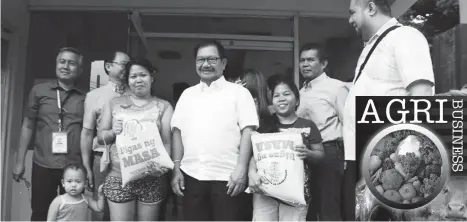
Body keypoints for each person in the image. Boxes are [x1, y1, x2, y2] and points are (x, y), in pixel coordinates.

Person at [345, 0, 435, 219]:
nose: (350, 20)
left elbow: (422, 94)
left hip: (386, 162)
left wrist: (402, 164)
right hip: (363, 156)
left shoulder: (404, 36)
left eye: (353, 12)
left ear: (371, 8)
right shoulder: (371, 47)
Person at [170, 40, 259, 221]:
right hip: (192, 176)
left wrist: (241, 169)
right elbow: (177, 132)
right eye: (200, 60)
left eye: (212, 59)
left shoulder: (239, 93)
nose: (205, 64)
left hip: (228, 178)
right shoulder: (188, 95)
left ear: (223, 63)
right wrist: (177, 169)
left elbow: (248, 132)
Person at [12, 47, 85, 221]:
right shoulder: (39, 91)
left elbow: (88, 135)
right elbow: (27, 126)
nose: (66, 66)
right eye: (62, 61)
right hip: (43, 163)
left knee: (71, 214)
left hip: (73, 167)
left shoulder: (86, 98)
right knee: (40, 213)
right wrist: (19, 162)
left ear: (79, 70)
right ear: (56, 65)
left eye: (72, 63)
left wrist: (88, 168)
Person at [98, 59, 174, 221]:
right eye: (133, 76)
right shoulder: (114, 104)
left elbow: (167, 142)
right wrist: (113, 132)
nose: (138, 80)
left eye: (143, 75)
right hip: (119, 177)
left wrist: (163, 167)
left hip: (152, 178)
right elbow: (100, 136)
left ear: (152, 77)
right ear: (128, 80)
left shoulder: (164, 106)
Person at [248, 76, 325, 221]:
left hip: (295, 193)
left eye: (286, 94)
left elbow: (321, 155)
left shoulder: (308, 125)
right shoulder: (264, 126)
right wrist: (252, 173)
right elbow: (254, 156)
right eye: (276, 95)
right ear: (272, 102)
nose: (281, 98)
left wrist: (308, 153)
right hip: (264, 191)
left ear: (297, 100)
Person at [295, 43, 348, 221]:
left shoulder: (336, 87)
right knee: (308, 207)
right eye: (302, 60)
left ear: (323, 63)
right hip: (304, 155)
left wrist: (349, 158)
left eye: (311, 60)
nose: (305, 64)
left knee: (329, 208)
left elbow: (348, 123)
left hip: (329, 152)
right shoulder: (300, 92)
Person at [80, 50, 130, 221]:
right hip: (102, 160)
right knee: (101, 211)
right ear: (109, 67)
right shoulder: (94, 96)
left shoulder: (136, 93)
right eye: (124, 64)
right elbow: (87, 133)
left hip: (130, 160)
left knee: (126, 211)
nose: (127, 68)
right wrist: (86, 167)